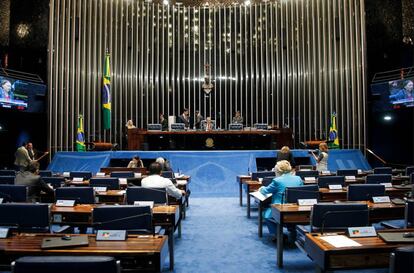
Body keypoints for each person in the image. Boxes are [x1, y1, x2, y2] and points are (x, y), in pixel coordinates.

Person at [258, 160, 303, 235]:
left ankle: (277, 235)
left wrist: (261, 188)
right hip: (296, 208)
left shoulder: (277, 180)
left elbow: (265, 191)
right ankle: (292, 230)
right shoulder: (298, 178)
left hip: (280, 208)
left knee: (266, 215)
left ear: (279, 170)